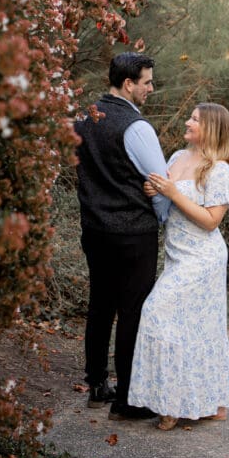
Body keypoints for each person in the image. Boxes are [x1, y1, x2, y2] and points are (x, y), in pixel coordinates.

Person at [128, 102, 229, 430]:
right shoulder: (177, 157)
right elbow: (163, 196)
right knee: (194, 328)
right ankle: (207, 402)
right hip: (177, 254)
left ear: (211, 129)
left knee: (156, 311)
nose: (188, 122)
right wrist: (153, 191)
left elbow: (211, 220)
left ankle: (171, 403)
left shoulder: (219, 169)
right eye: (190, 117)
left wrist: (173, 193)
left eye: (195, 119)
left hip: (203, 258)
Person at [74, 52, 170, 421]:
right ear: (128, 84)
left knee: (100, 304)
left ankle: (97, 385)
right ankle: (127, 400)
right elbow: (159, 185)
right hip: (133, 234)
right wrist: (162, 218)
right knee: (133, 311)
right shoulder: (137, 127)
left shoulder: (85, 118)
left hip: (95, 230)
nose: (151, 88)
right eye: (147, 82)